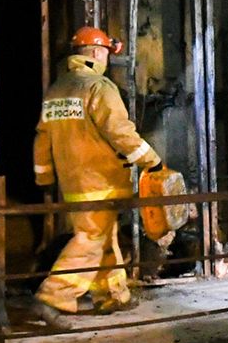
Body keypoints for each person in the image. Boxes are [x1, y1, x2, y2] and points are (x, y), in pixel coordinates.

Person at [32, 26, 161, 315]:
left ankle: (112, 295)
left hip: (73, 184)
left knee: (104, 237)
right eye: (105, 53)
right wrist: (152, 161)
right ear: (94, 53)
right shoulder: (98, 88)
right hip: (101, 181)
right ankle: (54, 296)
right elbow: (120, 132)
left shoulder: (56, 91)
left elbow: (42, 138)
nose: (106, 59)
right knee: (90, 239)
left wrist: (45, 176)